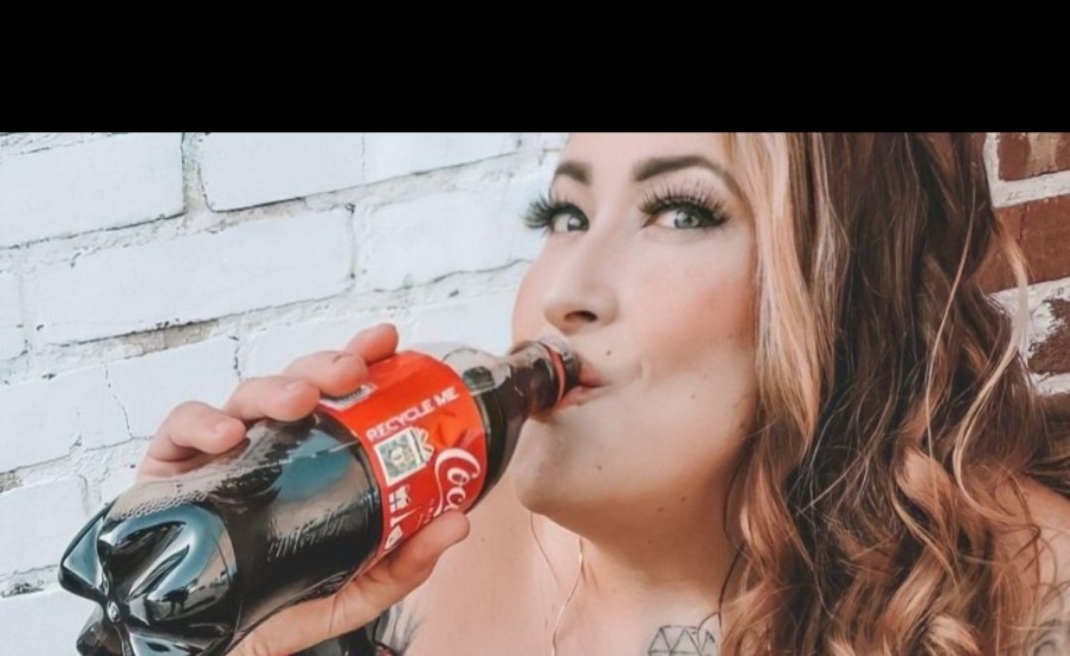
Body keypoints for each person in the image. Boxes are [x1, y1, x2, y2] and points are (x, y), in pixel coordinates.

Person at [139, 133, 1070, 656]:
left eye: (682, 212)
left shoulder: (1026, 602)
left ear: (846, 294)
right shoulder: (408, 548)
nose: (565, 290)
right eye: (566, 214)